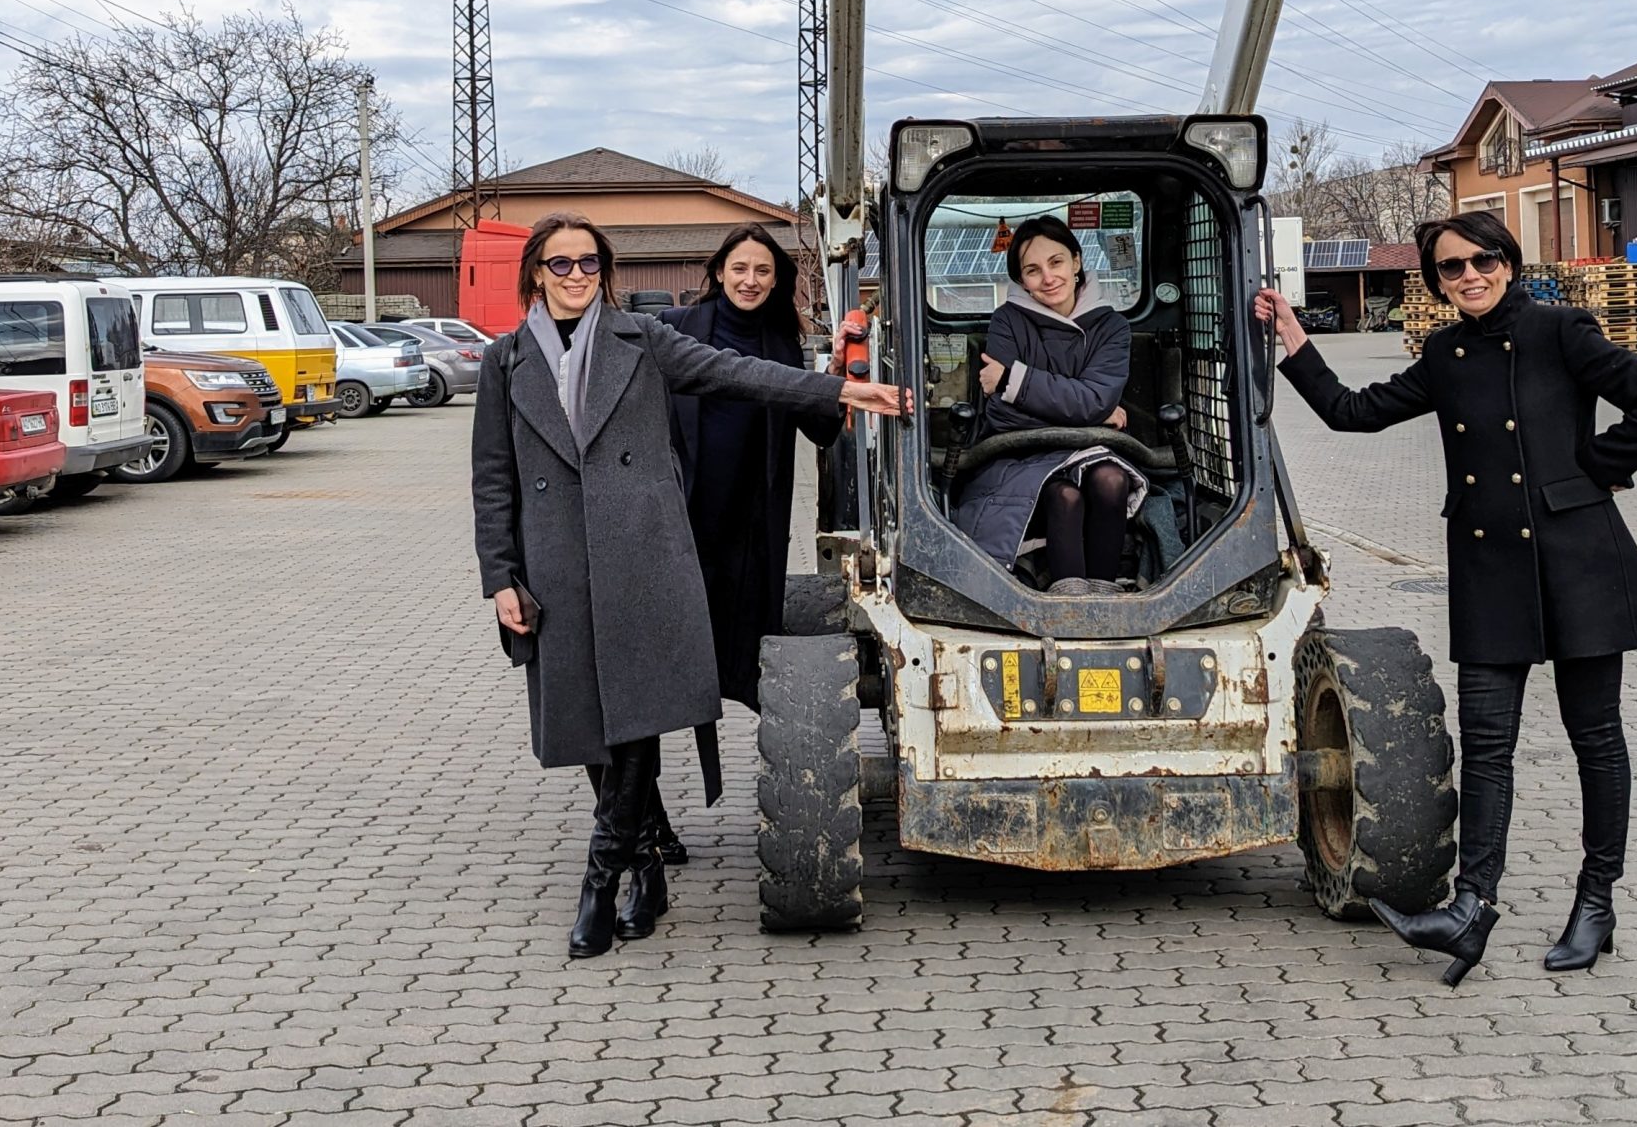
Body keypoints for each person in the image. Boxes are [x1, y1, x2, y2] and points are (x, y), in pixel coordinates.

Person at [1253, 210, 1637, 984]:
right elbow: (1351, 412)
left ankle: (1597, 900)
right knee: (1488, 747)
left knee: (1596, 737)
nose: (1469, 276)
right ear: (1438, 282)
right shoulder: (1446, 352)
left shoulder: (1563, 331)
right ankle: (1471, 908)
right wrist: (1294, 333)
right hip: (1491, 574)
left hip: (1579, 564)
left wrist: (1589, 469)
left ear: (1509, 261)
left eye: (1482, 260)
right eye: (1451, 268)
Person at [470, 211, 907, 960]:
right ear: (535, 274)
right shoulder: (506, 362)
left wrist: (835, 392)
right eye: (560, 264)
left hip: (642, 554)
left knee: (637, 716)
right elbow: (493, 476)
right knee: (586, 724)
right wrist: (501, 575)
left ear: (604, 272)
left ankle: (600, 882)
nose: (576, 277)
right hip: (557, 568)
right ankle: (646, 863)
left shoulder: (644, 342)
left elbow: (738, 373)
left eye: (588, 264)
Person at [659, 225, 842, 709]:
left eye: (763, 270)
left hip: (754, 509)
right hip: (688, 503)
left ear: (776, 279)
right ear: (720, 271)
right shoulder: (676, 327)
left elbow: (818, 428)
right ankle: (677, 701)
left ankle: (739, 692)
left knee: (747, 619)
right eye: (739, 268)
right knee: (682, 614)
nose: (750, 280)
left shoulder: (782, 341)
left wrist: (837, 378)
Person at [950, 214, 1144, 592]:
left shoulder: (1112, 328)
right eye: (1033, 270)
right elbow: (1004, 415)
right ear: (1022, 280)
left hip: (1090, 453)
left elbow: (1096, 397)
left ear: (1076, 261)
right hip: (1018, 457)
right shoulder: (1007, 321)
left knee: (1111, 479)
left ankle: (1104, 596)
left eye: (1056, 262)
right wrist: (1091, 415)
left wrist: (1013, 381)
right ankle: (1068, 597)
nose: (1048, 278)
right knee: (1064, 493)